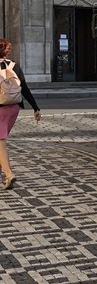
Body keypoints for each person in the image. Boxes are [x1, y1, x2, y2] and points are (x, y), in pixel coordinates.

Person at [0, 39, 41, 190]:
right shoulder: (14, 66)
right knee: (1, 140)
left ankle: (9, 174)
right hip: (14, 108)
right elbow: (24, 88)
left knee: (0, 142)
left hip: (0, 107)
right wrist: (36, 108)